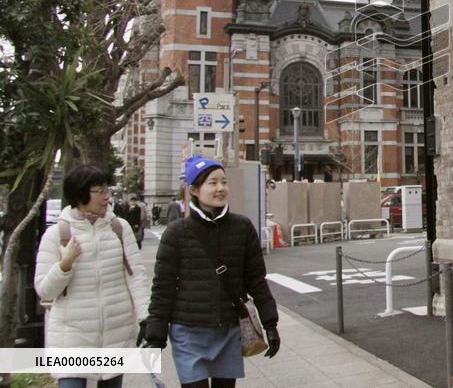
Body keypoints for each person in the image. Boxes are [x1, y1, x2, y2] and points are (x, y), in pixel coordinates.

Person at [144, 156, 280, 387]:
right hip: (188, 331)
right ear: (194, 190)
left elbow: (256, 281)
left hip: (229, 328)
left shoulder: (243, 227)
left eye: (224, 182)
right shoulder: (177, 232)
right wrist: (155, 335)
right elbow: (163, 286)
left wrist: (270, 323)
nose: (221, 188)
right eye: (213, 183)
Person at [35, 165, 149, 388]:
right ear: (79, 194)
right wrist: (64, 265)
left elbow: (136, 276)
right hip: (72, 337)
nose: (106, 197)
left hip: (116, 332)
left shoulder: (119, 228)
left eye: (107, 190)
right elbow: (44, 290)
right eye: (99, 191)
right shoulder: (57, 234)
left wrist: (145, 317)